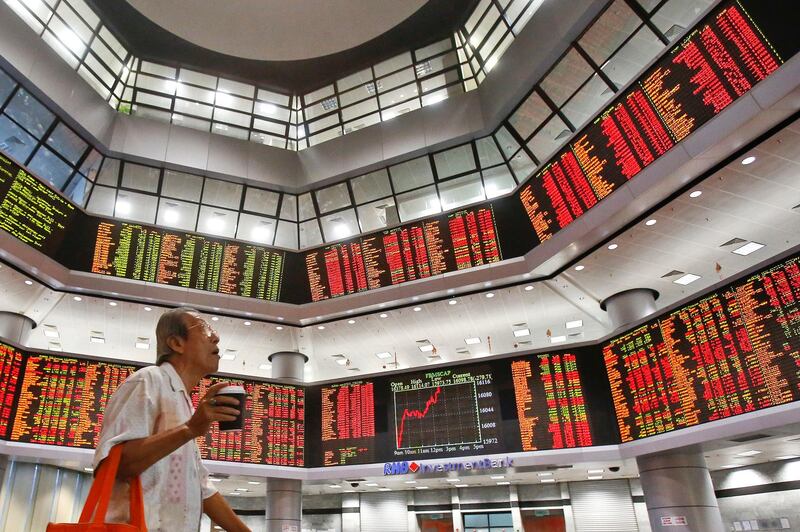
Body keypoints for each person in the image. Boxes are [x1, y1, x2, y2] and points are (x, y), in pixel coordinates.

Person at [93, 307, 251, 532]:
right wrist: (189, 429)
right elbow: (117, 464)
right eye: (205, 330)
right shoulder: (147, 380)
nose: (216, 337)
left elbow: (202, 488)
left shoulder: (184, 402)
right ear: (176, 343)